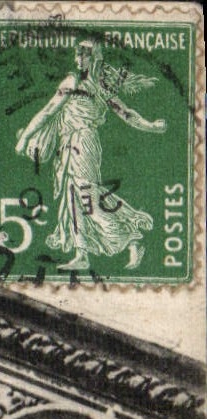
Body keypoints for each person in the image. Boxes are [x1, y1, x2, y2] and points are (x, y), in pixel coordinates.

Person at [15, 39, 165, 272]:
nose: (79, 59)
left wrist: (151, 126)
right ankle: (81, 253)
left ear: (94, 57)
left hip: (83, 143)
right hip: (69, 144)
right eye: (77, 55)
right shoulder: (74, 81)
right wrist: (25, 136)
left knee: (87, 196)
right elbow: (49, 110)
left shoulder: (98, 85)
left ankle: (132, 238)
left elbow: (126, 113)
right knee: (73, 197)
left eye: (84, 55)